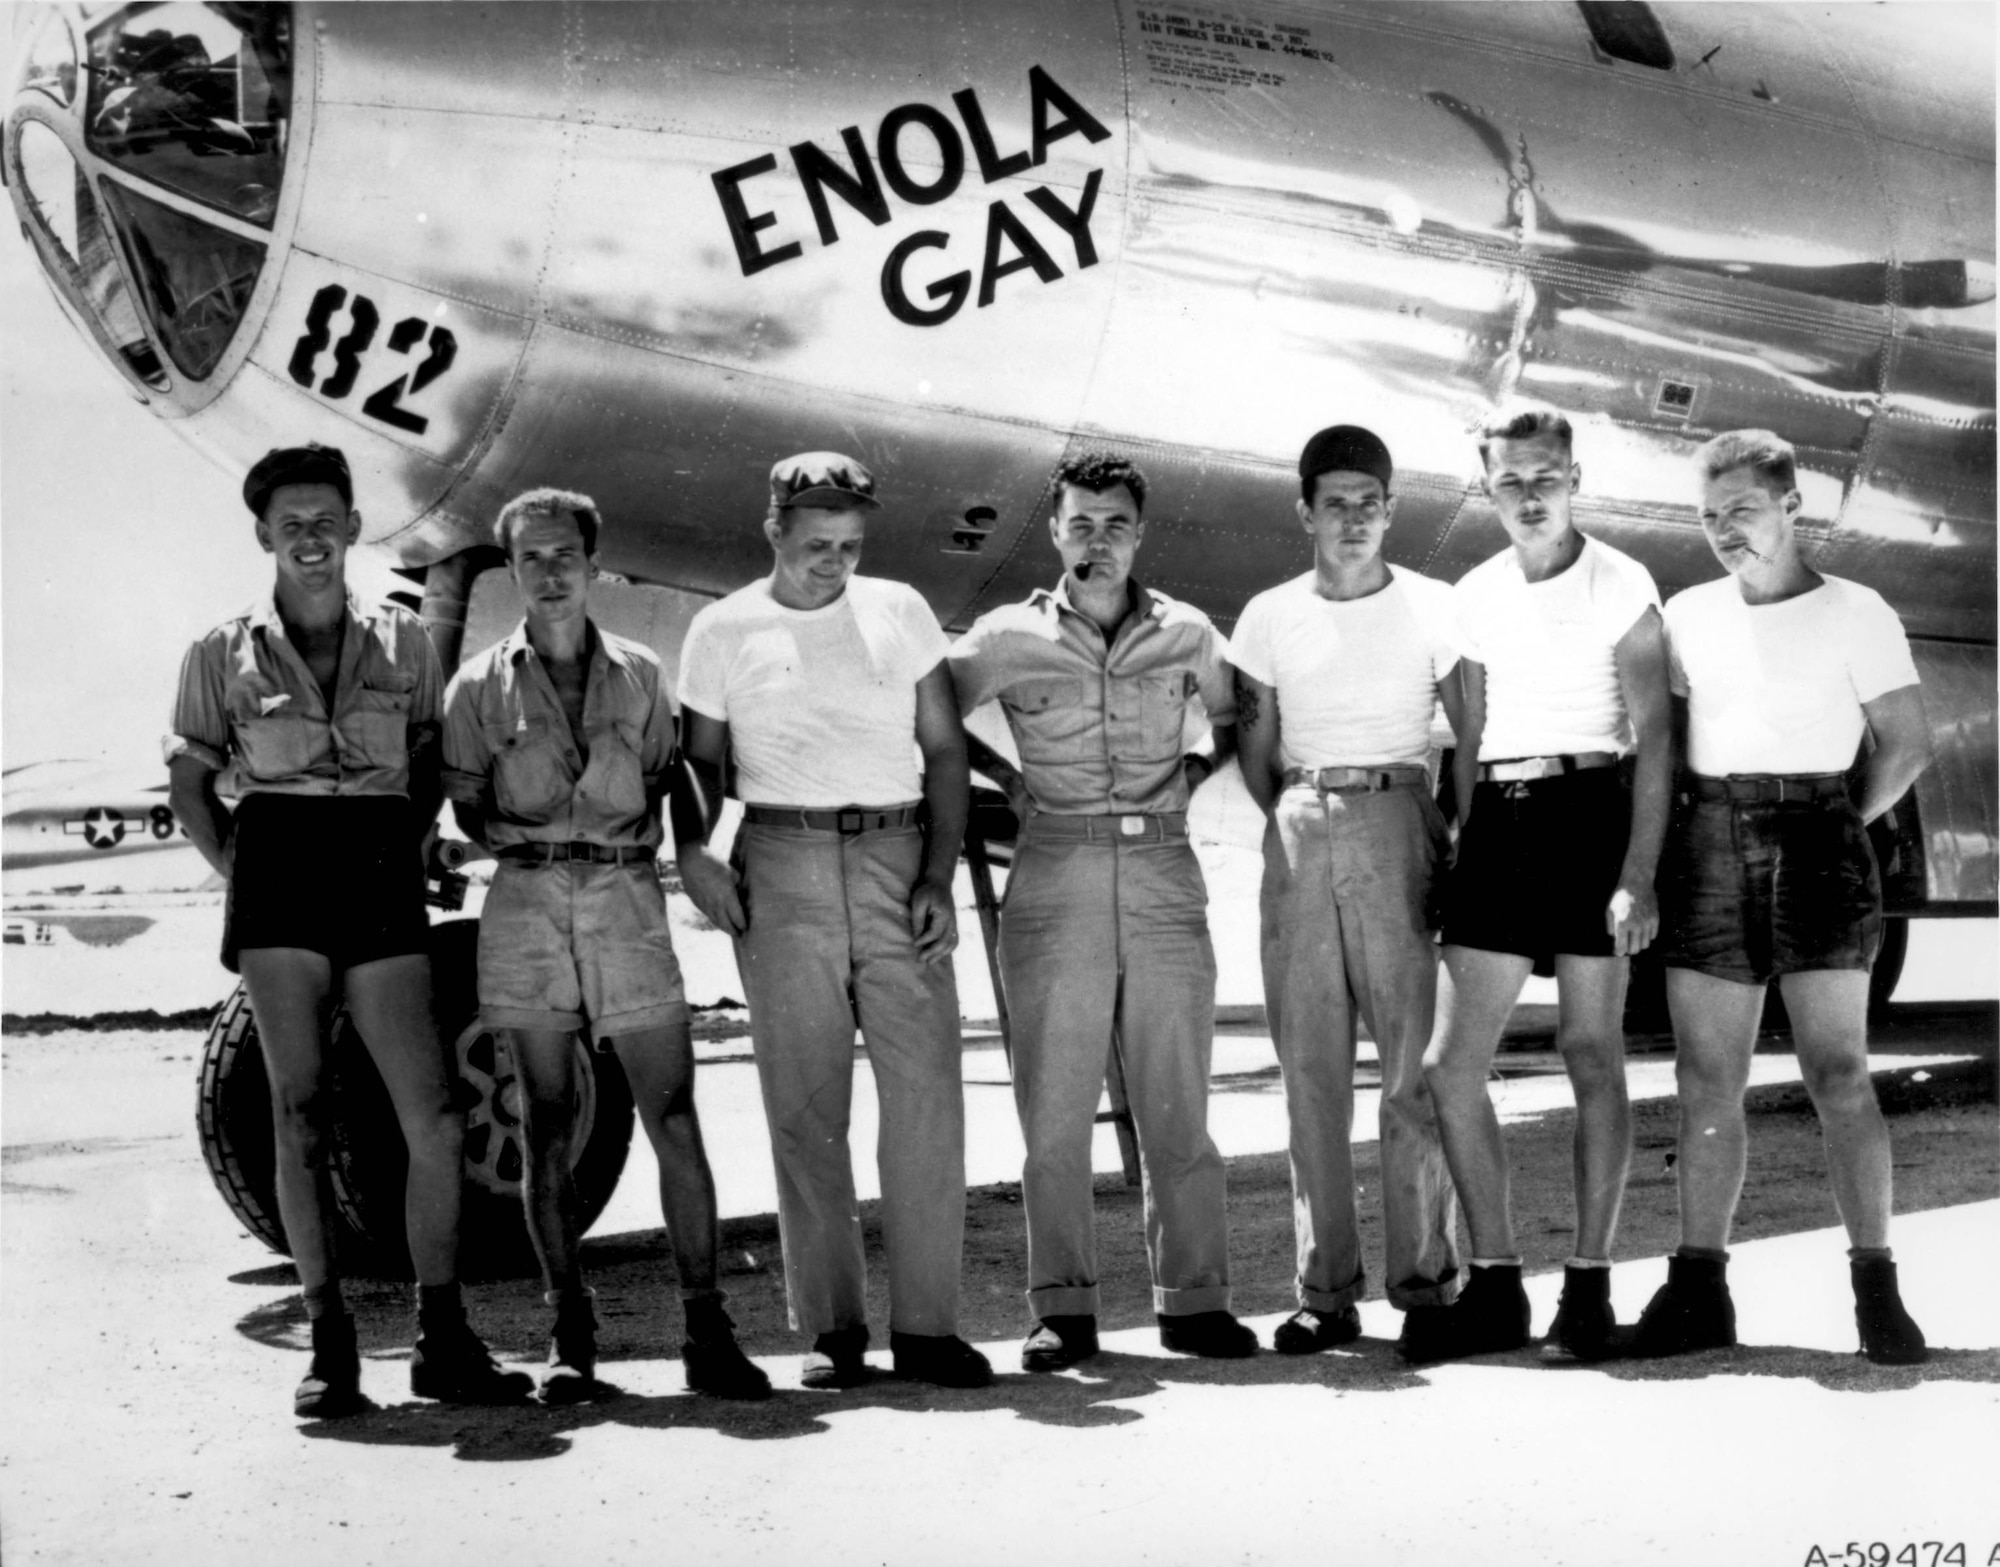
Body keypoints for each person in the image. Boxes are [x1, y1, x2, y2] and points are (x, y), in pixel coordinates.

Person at [166, 443, 530, 1418]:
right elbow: (192, 782)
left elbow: (424, 759)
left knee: (435, 1113)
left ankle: (441, 1334)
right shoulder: (218, 651)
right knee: (298, 1111)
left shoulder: (405, 644)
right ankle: (330, 1346)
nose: (311, 537)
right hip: (278, 865)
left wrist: (408, 845)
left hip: (375, 861)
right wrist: (243, 880)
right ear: (263, 536)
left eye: (327, 518)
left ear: (354, 527)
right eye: (291, 523)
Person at [440, 488, 770, 1403]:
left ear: (593, 567)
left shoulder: (643, 676)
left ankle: (707, 1329)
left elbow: (673, 783)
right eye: (530, 559)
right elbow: (467, 799)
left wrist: (690, 858)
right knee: (548, 1122)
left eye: (564, 556)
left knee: (673, 1115)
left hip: (627, 897)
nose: (549, 573)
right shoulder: (475, 688)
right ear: (511, 572)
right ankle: (571, 1338)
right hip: (529, 904)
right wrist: (538, 843)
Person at [675, 452, 990, 1391]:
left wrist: (937, 873)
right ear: (773, 529)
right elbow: (699, 765)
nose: (834, 562)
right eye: (816, 544)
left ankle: (929, 1327)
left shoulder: (900, 610)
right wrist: (694, 856)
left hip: (899, 864)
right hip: (784, 867)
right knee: (805, 1111)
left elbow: (942, 752)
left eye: (851, 545)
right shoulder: (721, 627)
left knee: (927, 1101)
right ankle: (832, 1330)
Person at [949, 451, 1257, 1371]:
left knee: (1179, 1096)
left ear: (1140, 532)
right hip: (1056, 870)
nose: (1098, 541)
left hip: (1162, 865)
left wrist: (1195, 773)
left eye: (1115, 523)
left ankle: (1194, 1302)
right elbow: (927, 708)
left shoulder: (1190, 632)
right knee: (1055, 1101)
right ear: (1054, 530)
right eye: (1080, 523)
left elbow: (1237, 719)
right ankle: (1064, 1310)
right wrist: (1003, 775)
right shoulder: (1007, 635)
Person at [1636, 429, 1934, 1365]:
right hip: (1710, 842)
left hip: (1820, 840)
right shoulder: (1686, 612)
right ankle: (1699, 1290)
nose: (1726, 529)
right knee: (1705, 1081)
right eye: (1710, 514)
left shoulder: (1858, 610)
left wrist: (1839, 820)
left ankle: (1876, 1289)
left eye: (1744, 509)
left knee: (1839, 1075)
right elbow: (1666, 736)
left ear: (1792, 504)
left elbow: (1907, 740)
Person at [1412, 407, 1672, 1365]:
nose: (1530, 496)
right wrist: (1463, 831)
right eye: (1511, 480)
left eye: (1546, 477)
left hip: (1592, 811)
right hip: (1501, 819)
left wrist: (1636, 876)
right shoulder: (1472, 592)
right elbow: (1473, 733)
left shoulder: (1620, 580)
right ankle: (1494, 1281)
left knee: (1590, 1050)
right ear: (1487, 487)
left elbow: (1653, 738)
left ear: (1576, 480)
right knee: (1449, 1065)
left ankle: (1591, 1288)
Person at [1229, 425, 1464, 1354]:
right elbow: (1256, 749)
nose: (1356, 519)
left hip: (1401, 813)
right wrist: (1305, 815)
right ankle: (1325, 1291)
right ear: (1305, 511)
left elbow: (1469, 736)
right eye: (1337, 503)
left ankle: (1425, 1284)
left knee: (1412, 1070)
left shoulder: (1435, 605)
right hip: (1302, 825)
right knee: (1310, 1073)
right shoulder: (1269, 614)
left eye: (1371, 503)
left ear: (1391, 510)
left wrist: (1438, 833)